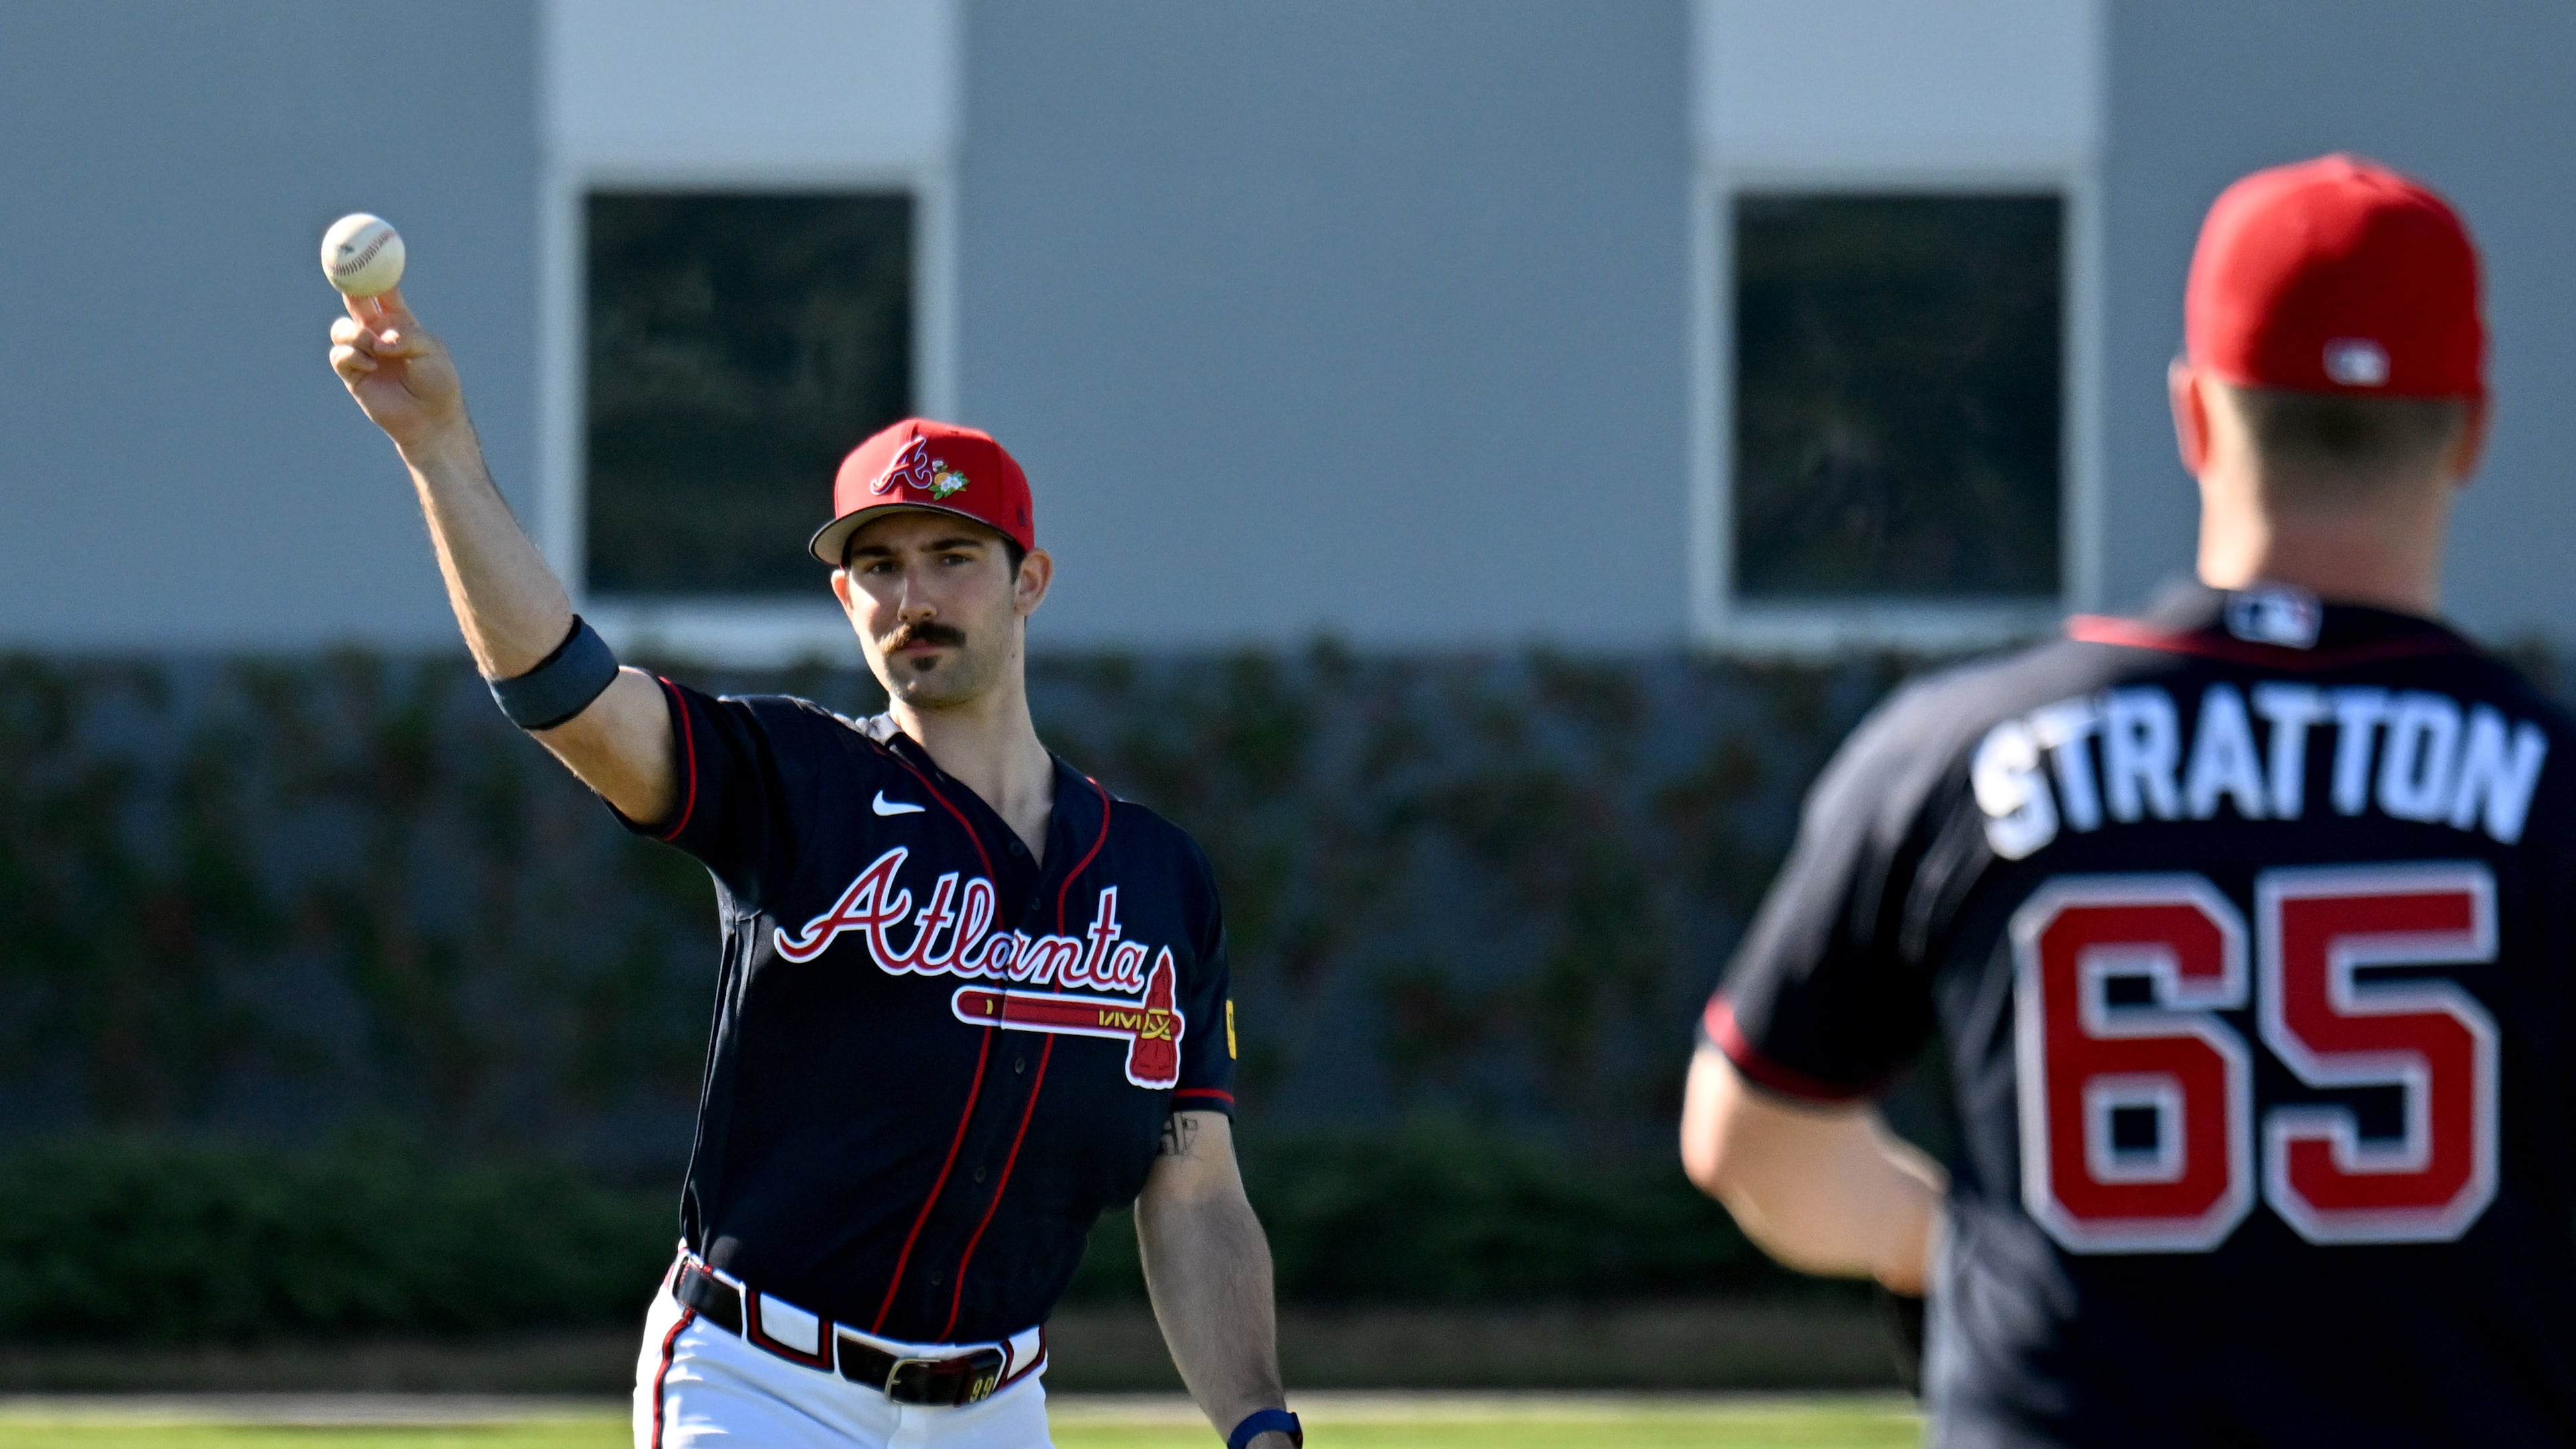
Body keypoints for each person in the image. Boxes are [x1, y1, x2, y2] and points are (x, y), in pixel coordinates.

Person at [1679, 154, 2576, 1445]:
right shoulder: (2551, 781)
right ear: (2474, 428)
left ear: (2194, 417)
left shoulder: (1961, 758)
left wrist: (1931, 1241)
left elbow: (1750, 1144)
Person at [327, 295, 1301, 1449]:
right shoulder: (796, 782)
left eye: (952, 558)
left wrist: (1254, 1419)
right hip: (759, 1385)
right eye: (877, 567)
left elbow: (1192, 1188)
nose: (914, 598)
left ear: (1029, 580)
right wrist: (438, 450)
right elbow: (567, 695)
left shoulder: (1156, 877)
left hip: (997, 1407)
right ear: (846, 598)